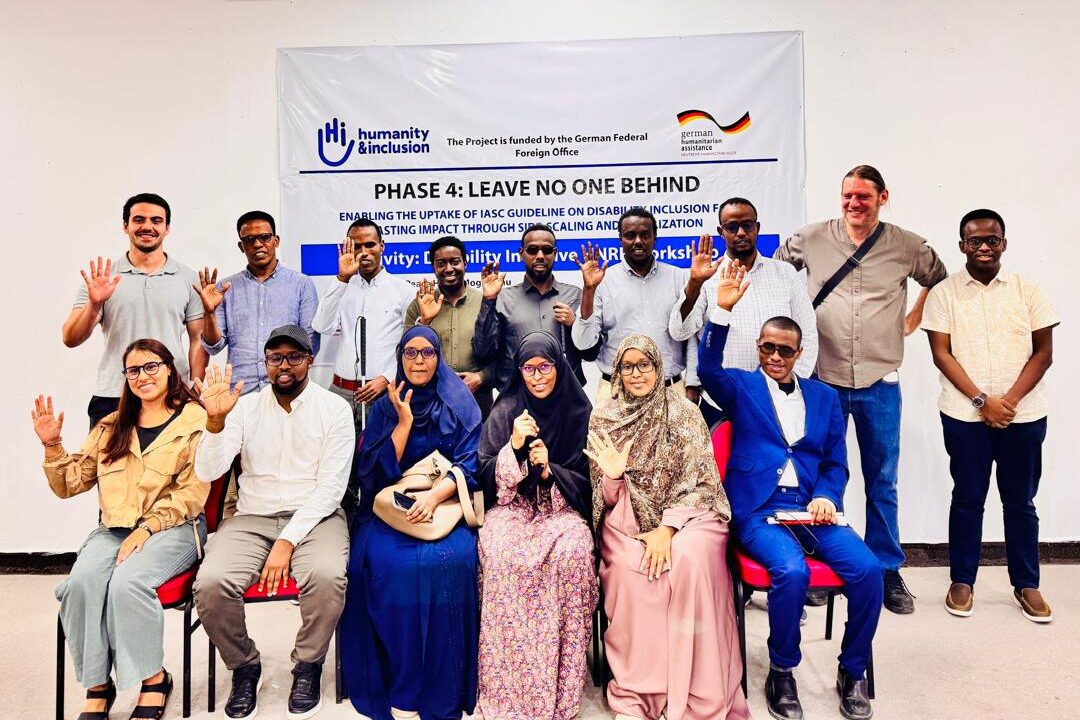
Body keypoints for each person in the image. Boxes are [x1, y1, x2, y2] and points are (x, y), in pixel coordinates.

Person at [698, 261, 883, 720]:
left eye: (784, 350)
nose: (775, 357)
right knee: (791, 572)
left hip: (812, 508)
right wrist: (721, 313)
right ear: (758, 348)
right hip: (759, 510)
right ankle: (782, 670)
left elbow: (836, 461)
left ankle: (852, 669)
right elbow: (706, 366)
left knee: (867, 570)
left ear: (799, 352)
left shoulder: (823, 397)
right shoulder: (741, 387)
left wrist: (828, 496)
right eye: (767, 348)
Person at [774, 165, 947, 614]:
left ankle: (887, 570)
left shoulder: (908, 246)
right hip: (822, 380)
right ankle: (812, 559)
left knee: (882, 479)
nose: (853, 203)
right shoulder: (811, 238)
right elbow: (775, 272)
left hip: (879, 381)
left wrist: (915, 318)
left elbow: (938, 278)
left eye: (863, 197)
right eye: (847, 195)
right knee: (811, 476)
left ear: (883, 198)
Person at [38, 339, 208, 720]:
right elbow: (71, 483)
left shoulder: (195, 420)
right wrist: (52, 445)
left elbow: (192, 494)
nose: (143, 376)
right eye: (134, 370)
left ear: (169, 368)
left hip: (174, 528)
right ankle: (98, 685)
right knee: (80, 584)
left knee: (127, 582)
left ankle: (154, 679)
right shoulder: (111, 425)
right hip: (114, 528)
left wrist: (146, 531)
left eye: (151, 367)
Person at [192, 325, 353, 720]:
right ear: (266, 363)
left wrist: (287, 541)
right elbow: (207, 470)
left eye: (294, 357)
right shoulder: (243, 408)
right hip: (251, 517)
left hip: (316, 516)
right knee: (211, 585)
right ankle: (244, 666)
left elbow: (331, 489)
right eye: (276, 358)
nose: (285, 366)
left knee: (328, 576)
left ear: (310, 362)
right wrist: (214, 422)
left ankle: (307, 665)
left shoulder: (334, 409)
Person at [587, 334, 748, 720]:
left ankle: (697, 689)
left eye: (645, 364)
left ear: (659, 368)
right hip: (627, 518)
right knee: (635, 573)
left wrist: (669, 528)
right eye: (628, 366)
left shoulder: (685, 413)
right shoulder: (603, 417)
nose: (636, 373)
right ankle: (645, 688)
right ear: (617, 373)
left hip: (693, 516)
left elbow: (703, 482)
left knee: (689, 562)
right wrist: (613, 478)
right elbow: (603, 500)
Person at [922, 209, 1058, 623]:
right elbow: (941, 354)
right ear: (962, 245)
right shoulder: (944, 293)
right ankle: (962, 580)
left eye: (992, 239)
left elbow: (1044, 353)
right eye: (975, 240)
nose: (984, 247)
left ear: (1004, 242)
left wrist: (1009, 401)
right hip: (965, 417)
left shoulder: (1027, 290)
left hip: (1024, 416)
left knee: (1021, 502)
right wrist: (983, 401)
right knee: (967, 499)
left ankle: (1027, 583)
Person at [341, 326, 483, 720]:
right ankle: (401, 681)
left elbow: (474, 464)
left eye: (427, 353)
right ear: (400, 358)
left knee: (457, 562)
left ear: (439, 358)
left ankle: (445, 684)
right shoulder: (388, 404)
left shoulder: (460, 403)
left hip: (446, 505)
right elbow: (370, 476)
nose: (419, 361)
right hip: (389, 509)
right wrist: (402, 423)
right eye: (410, 353)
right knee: (389, 566)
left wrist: (436, 495)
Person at [475, 332, 596, 720]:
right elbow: (485, 476)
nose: (538, 376)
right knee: (499, 552)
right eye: (529, 368)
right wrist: (513, 447)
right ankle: (508, 689)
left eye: (545, 367)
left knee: (574, 554)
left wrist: (549, 471)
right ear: (520, 371)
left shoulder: (580, 412)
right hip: (513, 508)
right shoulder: (506, 408)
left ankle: (560, 688)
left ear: (559, 367)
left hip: (561, 512)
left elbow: (590, 480)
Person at [670, 197, 818, 427]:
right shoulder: (709, 278)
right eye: (732, 227)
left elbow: (807, 335)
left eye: (747, 225)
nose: (740, 232)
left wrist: (788, 386)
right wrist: (694, 283)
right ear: (721, 232)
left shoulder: (785, 274)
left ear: (757, 228)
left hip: (777, 402)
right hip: (722, 402)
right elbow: (679, 332)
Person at [62, 193, 207, 427]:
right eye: (139, 220)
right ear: (125, 226)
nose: (147, 226)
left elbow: (197, 339)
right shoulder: (103, 278)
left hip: (172, 395)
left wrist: (194, 389)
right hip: (115, 394)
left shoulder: (188, 278)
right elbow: (70, 338)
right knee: (107, 464)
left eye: (156, 221)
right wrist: (94, 304)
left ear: (167, 228)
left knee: (173, 465)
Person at [573, 207, 698, 402]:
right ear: (621, 240)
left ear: (655, 238)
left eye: (644, 235)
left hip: (670, 391)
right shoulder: (602, 281)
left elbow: (690, 336)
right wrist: (589, 290)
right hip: (616, 394)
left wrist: (692, 385)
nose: (638, 241)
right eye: (630, 235)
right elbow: (584, 343)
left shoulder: (679, 277)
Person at [197, 210, 320, 394]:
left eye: (264, 237)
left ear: (275, 241)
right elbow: (213, 347)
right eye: (249, 240)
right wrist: (209, 313)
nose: (257, 244)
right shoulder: (226, 288)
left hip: (287, 391)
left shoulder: (301, 284)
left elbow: (310, 344)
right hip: (241, 392)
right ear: (241, 246)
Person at [312, 217, 414, 425]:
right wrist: (341, 279)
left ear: (382, 246)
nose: (364, 252)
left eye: (370, 245)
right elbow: (321, 326)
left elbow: (411, 346)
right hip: (341, 393)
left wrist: (387, 377)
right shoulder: (342, 286)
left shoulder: (404, 291)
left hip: (385, 393)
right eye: (357, 246)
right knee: (342, 457)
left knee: (382, 456)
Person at [472, 223, 590, 392]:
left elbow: (590, 351)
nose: (540, 256)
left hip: (566, 396)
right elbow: (483, 352)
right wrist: (489, 300)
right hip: (516, 396)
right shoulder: (503, 298)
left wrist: (575, 324)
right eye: (533, 250)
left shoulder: (575, 295)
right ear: (522, 254)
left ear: (555, 254)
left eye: (547, 250)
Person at [404, 235, 493, 417]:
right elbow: (406, 355)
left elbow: (502, 355)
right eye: (441, 263)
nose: (449, 269)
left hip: (477, 400)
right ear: (434, 268)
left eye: (455, 262)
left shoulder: (485, 302)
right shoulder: (419, 305)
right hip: (430, 399)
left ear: (466, 264)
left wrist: (481, 377)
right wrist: (425, 322)